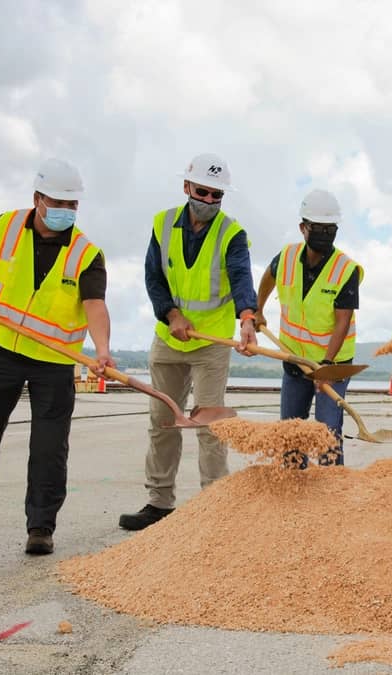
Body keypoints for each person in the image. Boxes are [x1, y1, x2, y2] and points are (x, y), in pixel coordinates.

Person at [0, 159, 114, 555]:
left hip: (54, 362)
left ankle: (41, 528)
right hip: (1, 350)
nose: (66, 210)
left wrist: (102, 351)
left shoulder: (87, 253)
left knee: (49, 448)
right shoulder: (5, 226)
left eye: (73, 204)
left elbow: (95, 306)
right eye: (58, 201)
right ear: (37, 198)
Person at [119, 153, 257, 531]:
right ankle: (159, 503)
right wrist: (171, 314)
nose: (209, 201)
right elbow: (153, 278)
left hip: (211, 342)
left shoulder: (232, 234)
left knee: (211, 423)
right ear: (186, 187)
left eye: (217, 195)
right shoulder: (162, 225)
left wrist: (247, 318)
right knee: (162, 421)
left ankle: (216, 505)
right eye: (203, 192)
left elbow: (242, 277)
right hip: (169, 339)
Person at [253, 189, 363, 468]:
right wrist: (258, 309)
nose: (325, 234)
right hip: (293, 359)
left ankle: (331, 492)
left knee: (326, 432)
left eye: (331, 229)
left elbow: (342, 322)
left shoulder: (344, 269)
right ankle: (294, 487)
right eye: (318, 228)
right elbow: (269, 276)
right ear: (303, 228)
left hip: (332, 364)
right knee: (290, 431)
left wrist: (325, 367)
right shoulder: (287, 257)